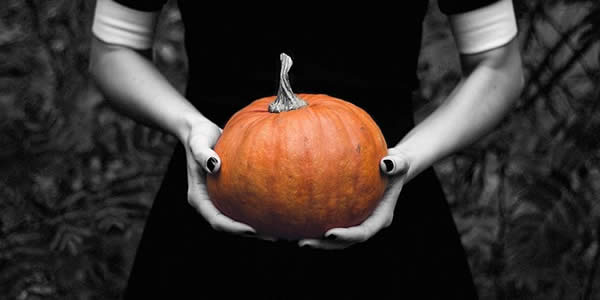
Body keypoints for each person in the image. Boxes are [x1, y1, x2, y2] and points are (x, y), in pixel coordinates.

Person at [89, 0, 523, 298]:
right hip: (218, 185)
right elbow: (113, 49)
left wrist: (407, 159)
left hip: (385, 193)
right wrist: (190, 127)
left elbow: (498, 65)